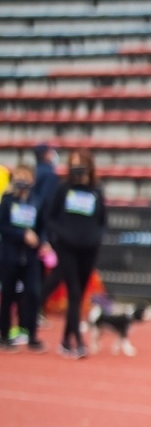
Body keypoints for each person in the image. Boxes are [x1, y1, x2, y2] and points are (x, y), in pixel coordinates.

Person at [41, 149, 106, 359]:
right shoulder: (63, 189)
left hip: (88, 250)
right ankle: (77, 340)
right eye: (74, 164)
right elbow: (50, 217)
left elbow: (102, 220)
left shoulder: (95, 191)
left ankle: (65, 340)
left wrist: (95, 237)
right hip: (67, 248)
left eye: (81, 164)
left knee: (78, 296)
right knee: (74, 292)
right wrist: (61, 237)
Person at [0, 163, 46, 353]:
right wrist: (22, 234)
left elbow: (42, 227)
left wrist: (42, 241)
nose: (22, 181)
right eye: (18, 177)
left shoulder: (36, 201)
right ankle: (4, 335)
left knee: (33, 294)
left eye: (25, 177)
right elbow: (3, 226)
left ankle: (32, 334)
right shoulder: (7, 201)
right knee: (8, 295)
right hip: (10, 255)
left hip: (31, 257)